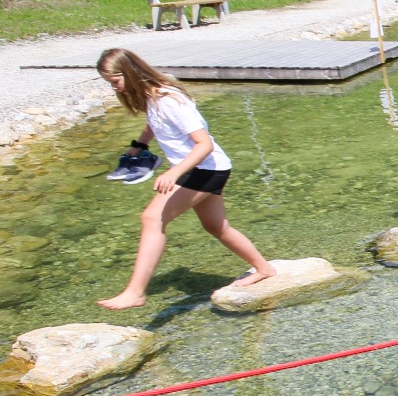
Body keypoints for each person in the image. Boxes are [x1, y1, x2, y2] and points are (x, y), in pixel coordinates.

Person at [93, 48, 275, 310]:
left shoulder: (170, 100)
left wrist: (173, 172)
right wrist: (139, 146)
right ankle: (263, 268)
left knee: (152, 217)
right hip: (204, 168)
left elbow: (203, 145)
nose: (116, 89)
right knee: (216, 226)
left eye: (115, 82)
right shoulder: (151, 97)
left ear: (130, 73)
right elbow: (153, 125)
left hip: (206, 168)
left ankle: (135, 292)